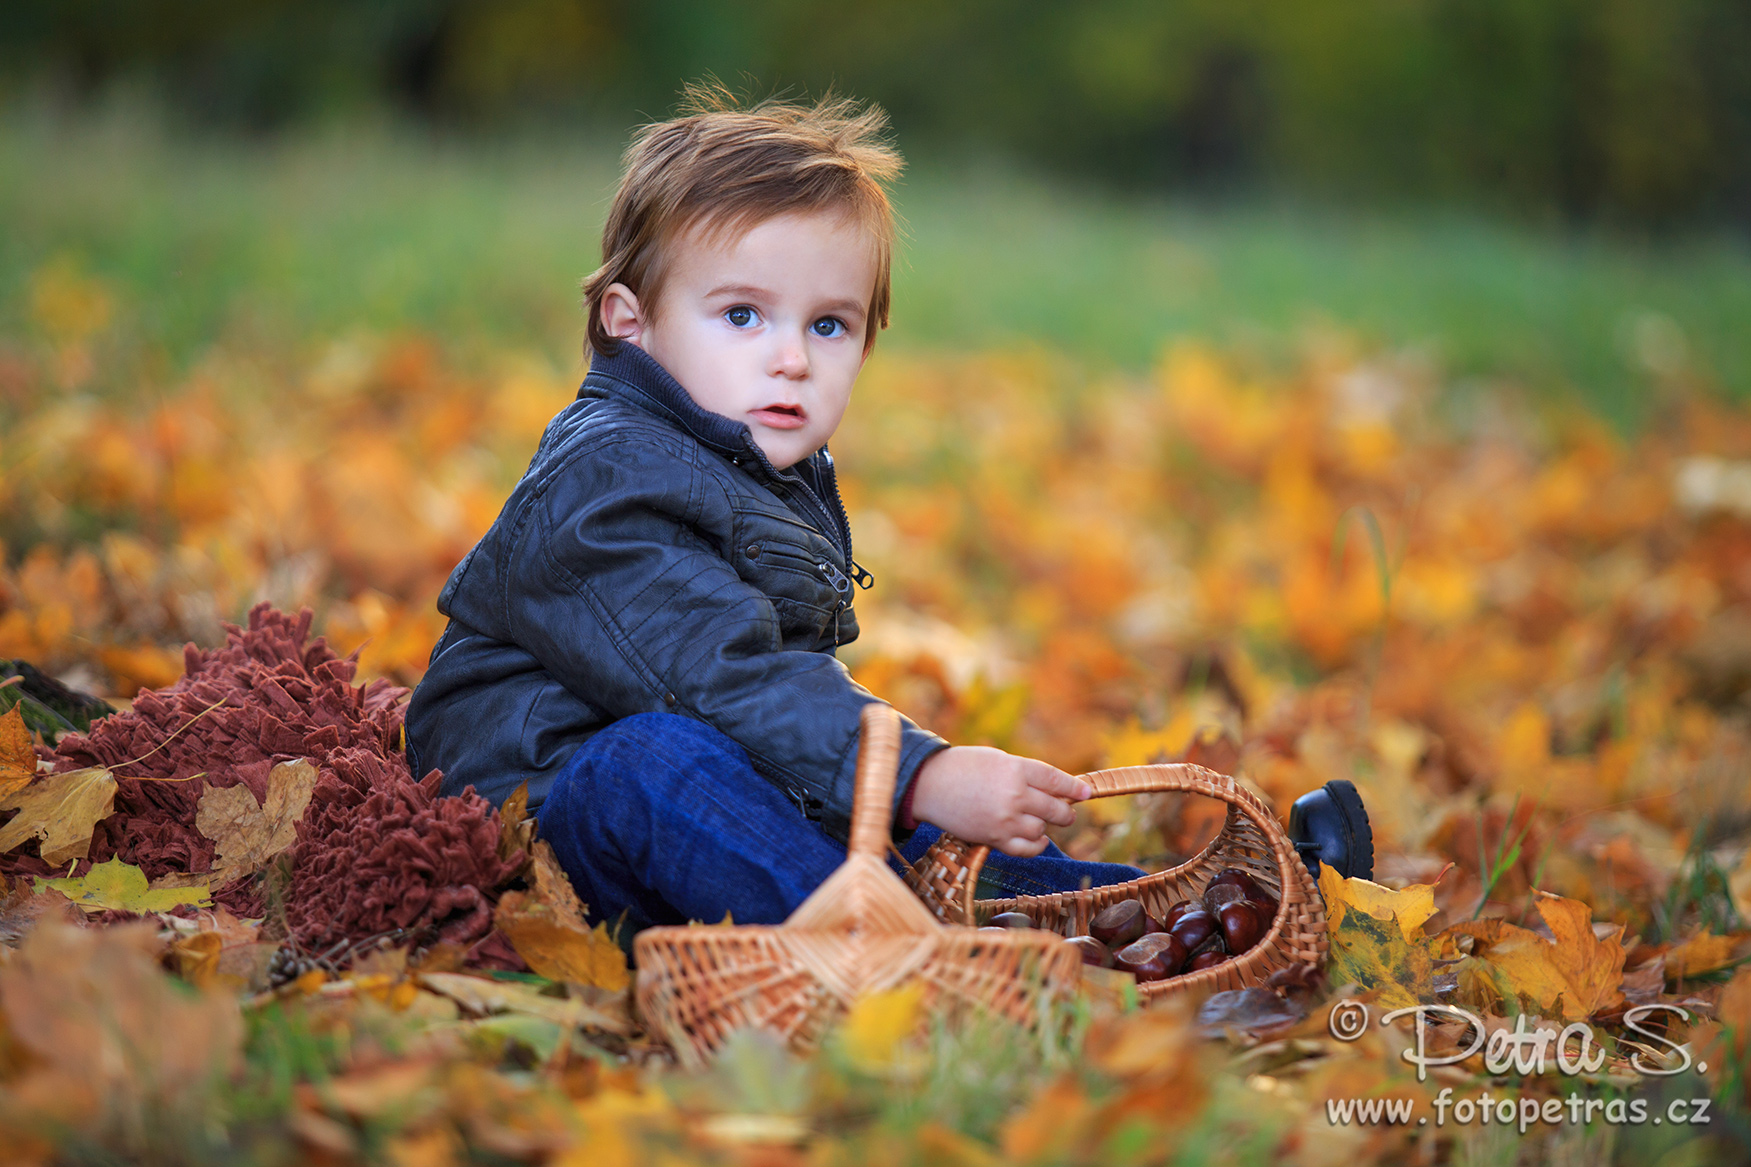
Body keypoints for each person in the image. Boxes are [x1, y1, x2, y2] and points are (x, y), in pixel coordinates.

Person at [407, 87, 1369, 935]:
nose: (792, 357)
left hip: (719, 806)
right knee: (667, 764)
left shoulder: (744, 460)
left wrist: (910, 795)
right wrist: (919, 770)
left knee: (887, 818)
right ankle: (901, 950)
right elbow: (719, 678)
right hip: (548, 823)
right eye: (742, 314)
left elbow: (778, 713)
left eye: (828, 324)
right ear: (631, 324)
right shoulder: (603, 482)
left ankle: (1163, 909)